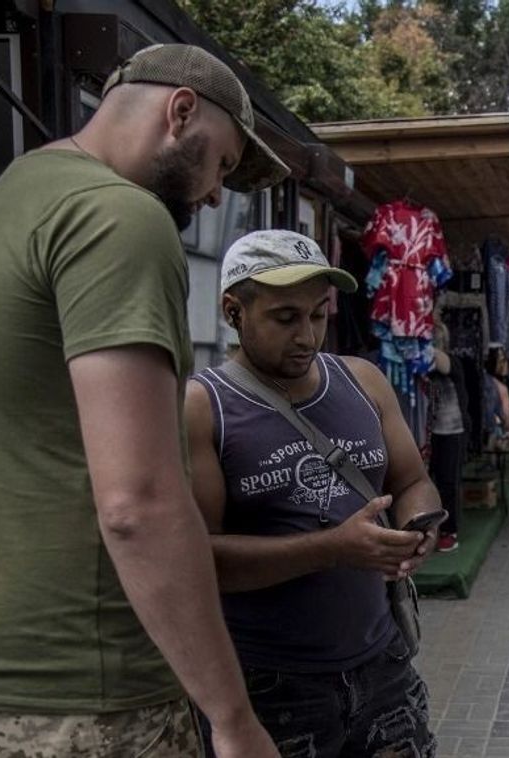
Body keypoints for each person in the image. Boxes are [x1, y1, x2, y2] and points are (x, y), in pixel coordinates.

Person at [0, 44, 288, 757]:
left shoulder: (6, 201)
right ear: (180, 112)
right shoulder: (119, 218)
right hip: (85, 690)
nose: (218, 194)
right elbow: (137, 505)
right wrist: (233, 718)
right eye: (221, 164)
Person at [186, 229, 440, 757]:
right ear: (234, 312)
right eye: (285, 318)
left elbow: (412, 481)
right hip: (271, 686)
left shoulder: (363, 380)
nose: (307, 335)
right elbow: (199, 560)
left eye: (318, 315)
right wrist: (332, 549)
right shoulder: (203, 408)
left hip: (383, 665)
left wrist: (418, 529)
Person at [429, 315, 469, 552]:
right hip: (426, 430)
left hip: (450, 430)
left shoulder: (451, 361)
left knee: (447, 482)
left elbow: (441, 362)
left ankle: (449, 530)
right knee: (427, 479)